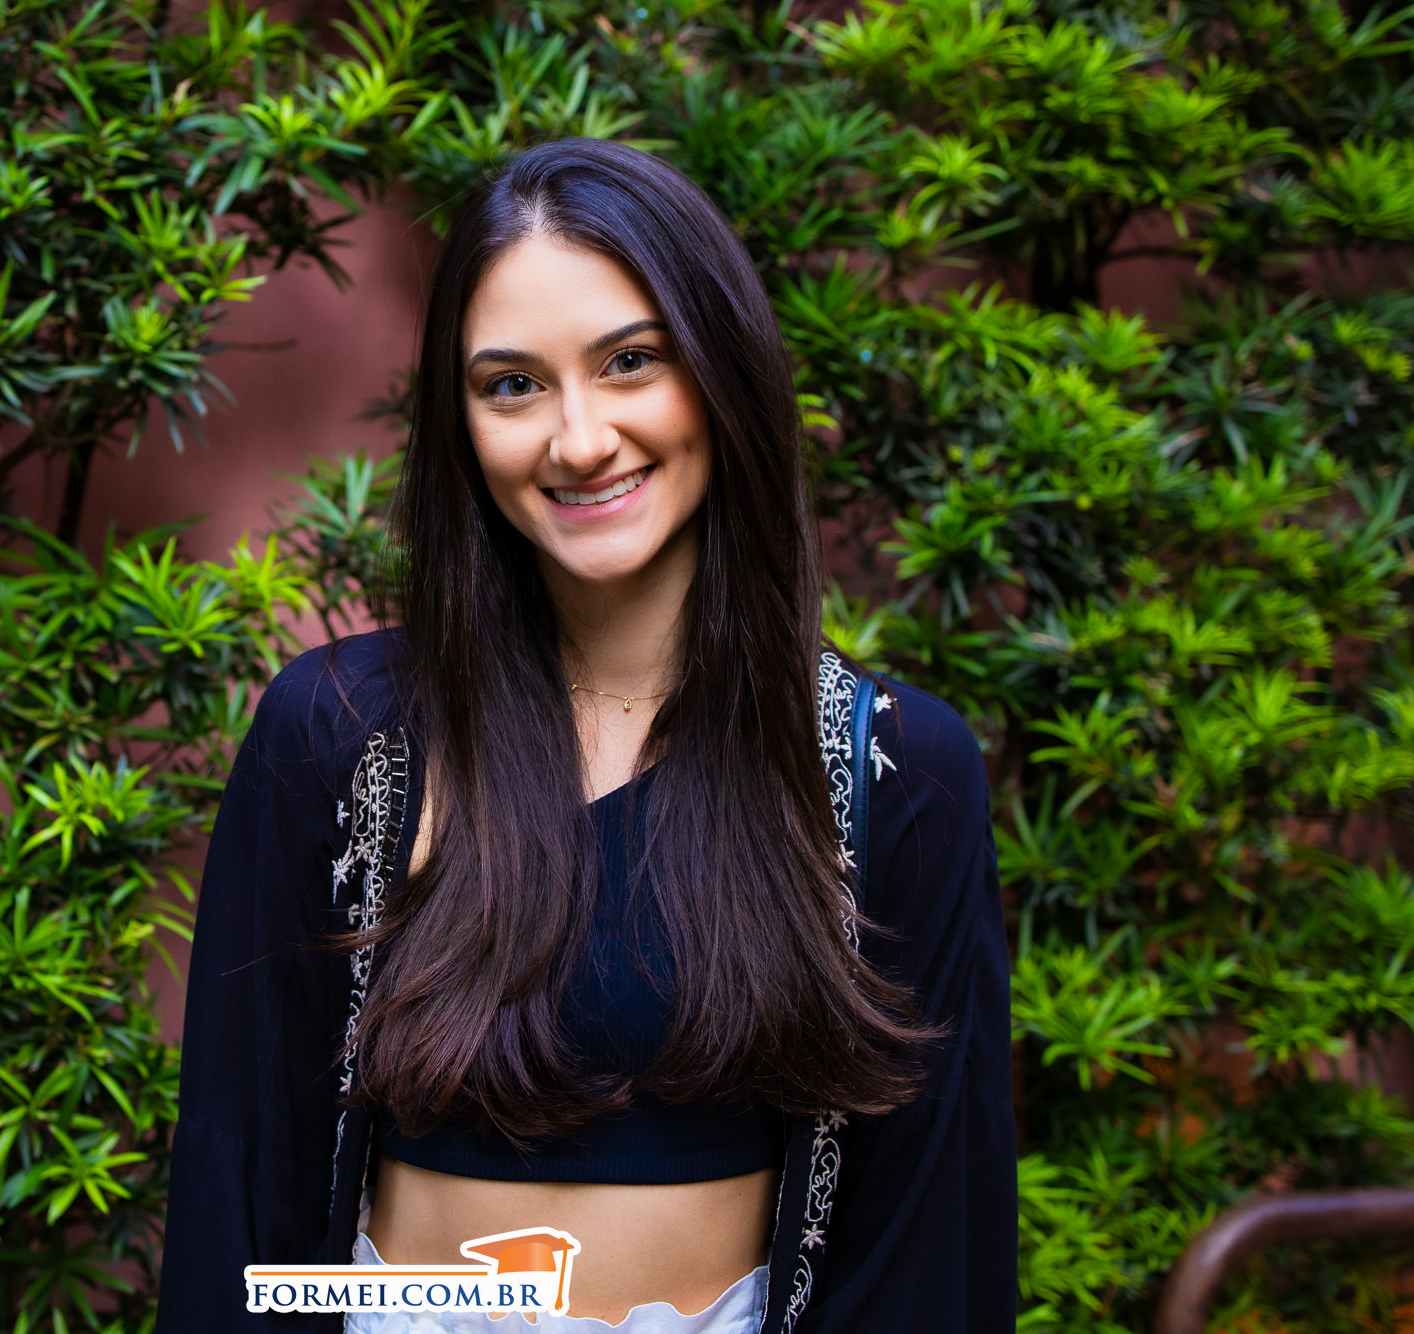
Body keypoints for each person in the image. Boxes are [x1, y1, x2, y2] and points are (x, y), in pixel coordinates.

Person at [156, 138, 1014, 1333]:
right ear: (459, 421)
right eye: (511, 384)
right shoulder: (340, 735)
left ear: (720, 369)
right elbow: (238, 1176)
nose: (576, 438)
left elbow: (924, 1245)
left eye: (629, 362)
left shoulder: (891, 770)